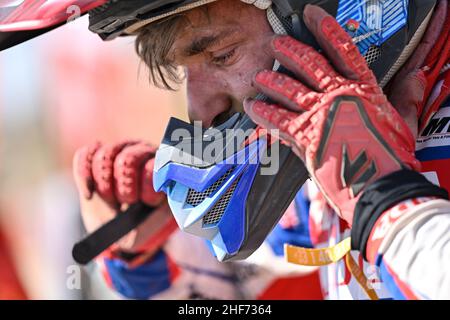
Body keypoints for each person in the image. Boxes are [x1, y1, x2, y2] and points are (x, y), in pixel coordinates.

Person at [1, 0, 448, 299]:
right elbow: (227, 293)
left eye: (221, 56)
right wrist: (149, 259)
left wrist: (386, 196)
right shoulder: (325, 152)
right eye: (184, 72)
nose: (199, 109)